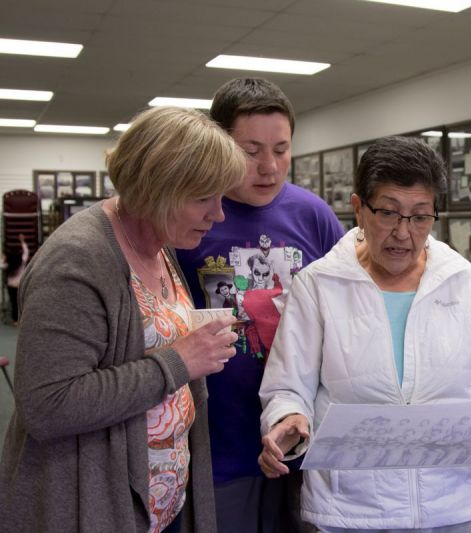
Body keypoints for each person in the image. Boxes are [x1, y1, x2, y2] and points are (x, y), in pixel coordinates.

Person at [258, 136, 471, 532]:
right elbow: (287, 387)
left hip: (457, 505)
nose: (404, 233)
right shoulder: (319, 285)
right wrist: (288, 418)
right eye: (388, 213)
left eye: (420, 217)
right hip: (352, 510)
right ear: (358, 209)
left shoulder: (464, 282)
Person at [0, 105, 246, 533]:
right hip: (90, 504)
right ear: (155, 189)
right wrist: (179, 361)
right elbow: (47, 406)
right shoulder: (78, 260)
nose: (218, 213)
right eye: (202, 198)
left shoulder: (160, 243)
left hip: (159, 501)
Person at [175, 77, 344, 533]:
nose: (269, 167)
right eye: (250, 151)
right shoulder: (192, 215)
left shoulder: (314, 215)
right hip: (220, 437)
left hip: (303, 433)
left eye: (281, 149)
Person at [5, 232, 29, 325]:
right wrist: (22, 241)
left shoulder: (8, 264)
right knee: (20, 303)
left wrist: (3, 257)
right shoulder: (21, 261)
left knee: (13, 303)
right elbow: (26, 252)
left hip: (10, 286)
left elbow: (1, 263)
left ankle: (15, 320)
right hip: (19, 285)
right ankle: (22, 318)